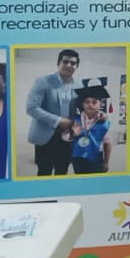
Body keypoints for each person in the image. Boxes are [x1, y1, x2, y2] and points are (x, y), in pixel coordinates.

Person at [25, 48, 80, 176]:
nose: (69, 65)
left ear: (76, 66)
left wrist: (99, 115)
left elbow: (83, 107)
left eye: (73, 63)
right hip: (46, 135)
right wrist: (59, 120)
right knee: (44, 172)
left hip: (68, 136)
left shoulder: (79, 85)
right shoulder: (43, 81)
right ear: (58, 63)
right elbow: (31, 108)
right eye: (65, 61)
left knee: (62, 170)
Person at [69, 85, 114, 175]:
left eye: (94, 102)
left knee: (96, 180)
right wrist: (72, 134)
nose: (90, 105)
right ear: (82, 104)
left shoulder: (104, 123)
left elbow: (108, 144)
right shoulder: (75, 119)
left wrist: (106, 162)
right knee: (80, 180)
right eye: (87, 102)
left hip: (96, 158)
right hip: (78, 158)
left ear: (100, 104)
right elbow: (65, 137)